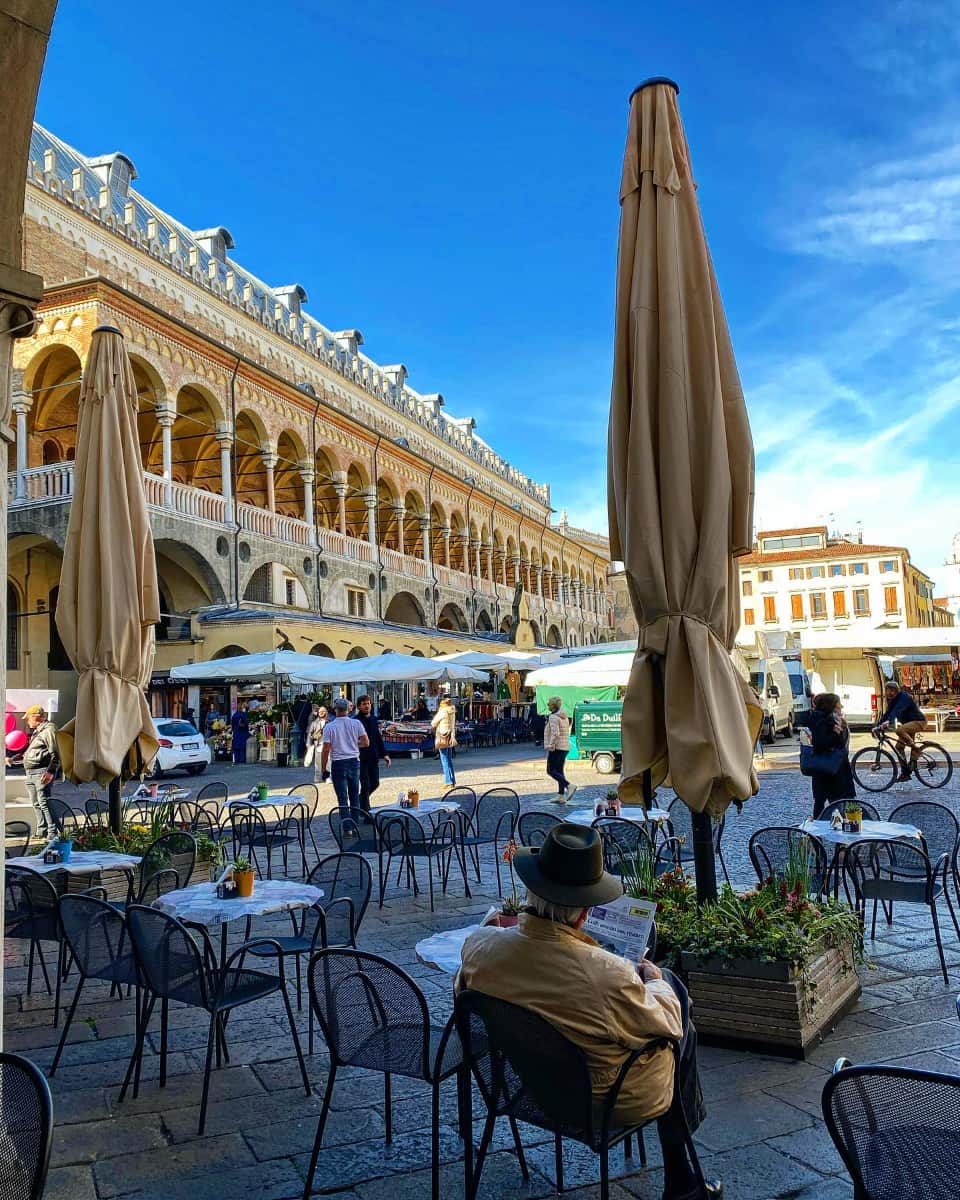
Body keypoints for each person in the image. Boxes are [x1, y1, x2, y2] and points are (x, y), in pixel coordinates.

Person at [456, 824, 718, 1200]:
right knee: (677, 1004)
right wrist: (655, 979)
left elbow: (462, 989)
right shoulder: (605, 974)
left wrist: (492, 929)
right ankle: (682, 1175)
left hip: (527, 1082)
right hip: (604, 1099)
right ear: (583, 915)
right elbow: (668, 1025)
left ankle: (684, 1176)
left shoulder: (481, 947)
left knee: (666, 1004)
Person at [806, 692, 855, 818]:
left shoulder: (834, 719)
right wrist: (836, 733)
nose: (841, 707)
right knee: (834, 804)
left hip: (833, 768)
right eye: (838, 704)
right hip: (830, 770)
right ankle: (823, 832)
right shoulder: (824, 720)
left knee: (829, 802)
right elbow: (821, 743)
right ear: (831, 706)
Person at [320, 697, 369, 811]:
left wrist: (323, 769)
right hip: (354, 761)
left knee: (342, 798)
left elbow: (326, 749)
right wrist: (354, 745)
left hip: (338, 763)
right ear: (348, 709)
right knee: (354, 796)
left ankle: (347, 827)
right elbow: (366, 743)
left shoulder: (329, 727)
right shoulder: (356, 723)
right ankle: (355, 824)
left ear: (335, 709)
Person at [875, 681, 927, 781]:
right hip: (908, 724)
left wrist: (888, 722)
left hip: (919, 721)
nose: (888, 694)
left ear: (895, 690)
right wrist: (877, 726)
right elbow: (888, 713)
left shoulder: (904, 697)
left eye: (890, 691)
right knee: (899, 747)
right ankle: (906, 772)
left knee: (899, 730)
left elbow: (896, 711)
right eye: (887, 691)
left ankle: (916, 749)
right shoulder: (892, 700)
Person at [22, 704, 60, 839]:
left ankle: (52, 832)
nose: (27, 721)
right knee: (36, 803)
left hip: (41, 771)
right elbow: (37, 750)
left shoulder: (49, 730)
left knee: (44, 802)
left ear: (36, 717)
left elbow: (55, 752)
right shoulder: (39, 730)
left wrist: (50, 771)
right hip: (32, 772)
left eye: (28, 718)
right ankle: (41, 831)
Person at [355, 693, 390, 811]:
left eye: (368, 704)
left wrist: (384, 754)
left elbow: (378, 738)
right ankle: (366, 811)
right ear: (358, 706)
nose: (367, 706)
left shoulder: (374, 719)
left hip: (373, 756)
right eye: (364, 704)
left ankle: (360, 801)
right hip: (361, 757)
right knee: (365, 785)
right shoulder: (355, 721)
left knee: (375, 783)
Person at [544, 695, 576, 802]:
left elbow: (556, 733)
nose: (548, 705)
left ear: (552, 706)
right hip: (565, 746)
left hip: (556, 747)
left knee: (550, 770)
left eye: (549, 704)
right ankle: (561, 795)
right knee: (559, 770)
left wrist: (550, 745)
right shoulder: (564, 716)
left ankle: (569, 785)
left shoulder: (553, 717)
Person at [431, 696, 458, 791]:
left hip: (443, 736)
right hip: (450, 736)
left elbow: (433, 723)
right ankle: (452, 780)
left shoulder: (443, 712)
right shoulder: (452, 711)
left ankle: (448, 781)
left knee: (444, 759)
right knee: (449, 759)